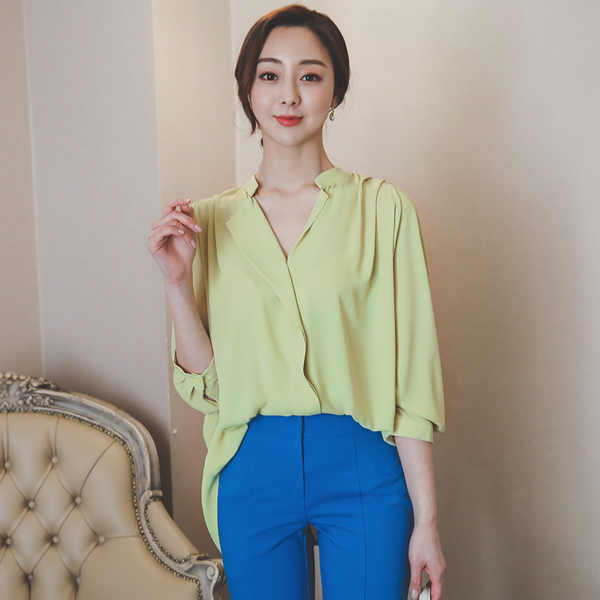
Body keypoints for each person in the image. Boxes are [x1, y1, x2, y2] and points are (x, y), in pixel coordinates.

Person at [147, 4, 446, 600]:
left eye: (309, 75)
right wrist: (177, 282)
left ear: (336, 90)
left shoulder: (383, 210)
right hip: (253, 462)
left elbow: (411, 381)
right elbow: (209, 386)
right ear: (248, 90)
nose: (288, 94)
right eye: (269, 74)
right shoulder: (206, 222)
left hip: (360, 458)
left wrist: (428, 523)